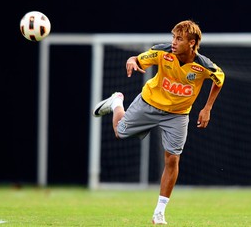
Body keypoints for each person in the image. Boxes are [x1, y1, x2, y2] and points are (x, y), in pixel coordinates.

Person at [92, 20, 225, 225]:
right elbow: (138, 58)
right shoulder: (163, 52)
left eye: (179, 39)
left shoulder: (203, 65)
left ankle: (159, 212)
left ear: (191, 43)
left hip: (178, 115)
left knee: (172, 159)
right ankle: (117, 101)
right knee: (120, 132)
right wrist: (132, 60)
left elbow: (219, 79)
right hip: (149, 103)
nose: (173, 42)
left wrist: (207, 108)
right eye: (173, 37)